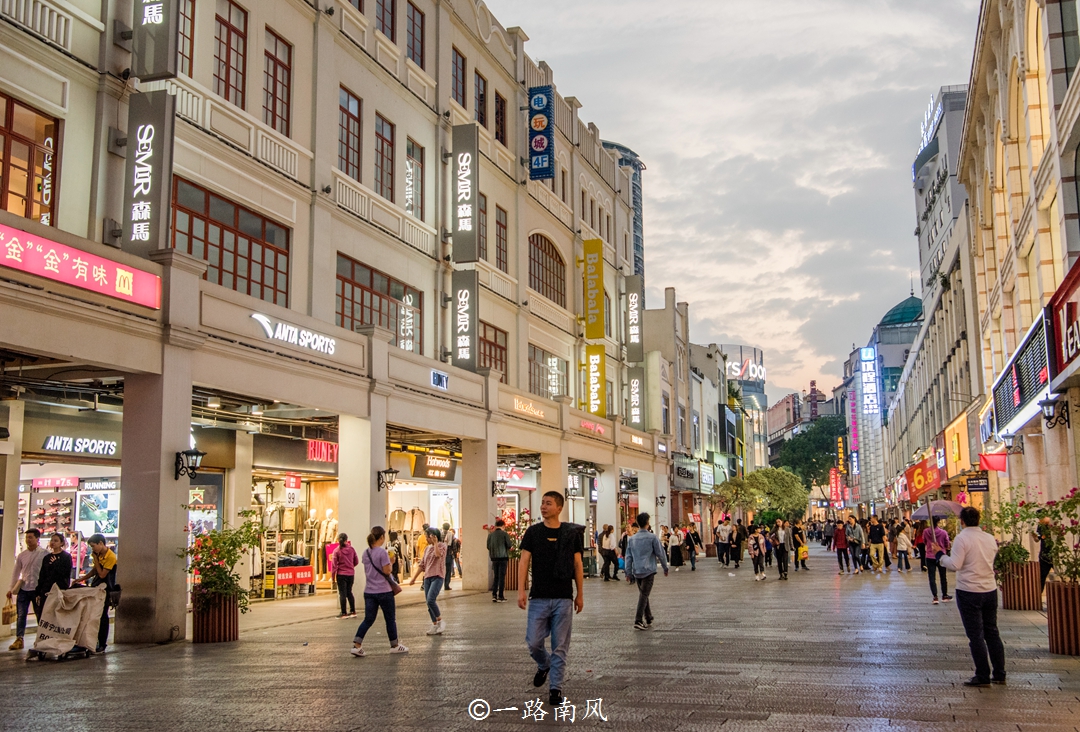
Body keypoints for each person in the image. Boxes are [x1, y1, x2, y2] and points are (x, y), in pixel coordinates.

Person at [518, 491, 584, 707]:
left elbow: (577, 565)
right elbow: (523, 561)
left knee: (560, 646)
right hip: (539, 597)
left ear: (559, 508)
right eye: (542, 503)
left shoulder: (570, 534)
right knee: (534, 642)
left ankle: (556, 688)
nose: (543, 507)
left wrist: (580, 594)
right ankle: (544, 664)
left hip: (564, 597)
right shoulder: (533, 532)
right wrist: (521, 590)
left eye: (548, 503)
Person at [930, 506, 1006, 687]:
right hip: (989, 589)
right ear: (978, 519)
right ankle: (1000, 673)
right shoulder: (989, 539)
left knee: (976, 635)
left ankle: (982, 675)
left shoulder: (962, 538)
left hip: (969, 591)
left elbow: (955, 564)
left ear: (962, 521)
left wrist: (940, 554)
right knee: (992, 632)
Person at [351, 526, 408, 657]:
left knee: (368, 619)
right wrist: (392, 562)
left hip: (369, 591)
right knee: (390, 619)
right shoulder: (383, 553)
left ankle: (356, 645)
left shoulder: (366, 553)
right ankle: (394, 645)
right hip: (384, 591)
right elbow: (387, 571)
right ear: (381, 537)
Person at [624, 512, 669, 630]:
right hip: (649, 570)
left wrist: (628, 572)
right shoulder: (652, 537)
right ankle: (638, 619)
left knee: (644, 593)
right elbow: (661, 553)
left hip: (637, 571)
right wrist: (665, 567)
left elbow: (628, 557)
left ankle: (648, 616)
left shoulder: (632, 539)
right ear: (648, 524)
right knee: (644, 594)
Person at [6, 529, 47, 651]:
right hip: (24, 588)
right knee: (21, 615)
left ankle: (42, 638)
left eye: (30, 537)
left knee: (40, 614)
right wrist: (10, 588)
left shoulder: (44, 554)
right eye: (27, 537)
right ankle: (19, 638)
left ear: (37, 538)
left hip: (37, 589)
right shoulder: (21, 555)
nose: (28, 540)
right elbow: (15, 573)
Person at [78, 534, 116, 653]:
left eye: (94, 546)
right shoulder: (98, 555)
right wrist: (82, 579)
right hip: (96, 587)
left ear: (101, 543)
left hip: (105, 589)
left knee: (102, 616)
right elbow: (95, 570)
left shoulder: (111, 557)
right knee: (91, 615)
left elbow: (102, 574)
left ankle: (102, 643)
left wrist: (95, 560)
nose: (93, 549)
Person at [410, 527, 447, 635]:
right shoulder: (427, 549)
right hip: (427, 577)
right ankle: (434, 624)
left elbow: (438, 555)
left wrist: (436, 543)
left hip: (438, 576)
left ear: (434, 536)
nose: (426, 538)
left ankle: (440, 621)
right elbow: (422, 565)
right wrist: (414, 578)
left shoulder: (442, 546)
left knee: (431, 599)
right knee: (428, 603)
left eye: (428, 536)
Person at [36, 532, 73, 614]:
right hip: (46, 588)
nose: (53, 542)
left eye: (56, 541)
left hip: (60, 588)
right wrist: (38, 590)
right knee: (44, 612)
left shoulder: (66, 557)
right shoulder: (47, 557)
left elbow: (65, 573)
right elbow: (42, 574)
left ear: (61, 543)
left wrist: (56, 564)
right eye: (52, 540)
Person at [923, 518, 952, 605]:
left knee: (932, 577)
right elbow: (947, 543)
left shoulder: (925, 531)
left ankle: (935, 597)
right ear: (938, 522)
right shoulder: (943, 532)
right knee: (943, 576)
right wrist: (945, 547)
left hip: (929, 555)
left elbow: (924, 541)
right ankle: (944, 595)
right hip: (941, 555)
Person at [330, 533, 358, 619]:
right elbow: (356, 561)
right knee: (349, 592)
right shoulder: (352, 549)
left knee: (342, 593)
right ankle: (353, 611)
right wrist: (350, 567)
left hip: (341, 575)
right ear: (347, 539)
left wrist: (333, 577)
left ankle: (343, 613)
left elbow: (334, 566)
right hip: (351, 574)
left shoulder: (336, 551)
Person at [487, 519, 513, 600]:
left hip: (494, 558)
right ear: (503, 526)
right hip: (503, 557)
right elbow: (509, 545)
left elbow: (488, 546)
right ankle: (500, 596)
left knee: (496, 576)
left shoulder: (490, 535)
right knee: (502, 577)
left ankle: (494, 595)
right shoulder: (504, 534)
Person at [1033, 516, 1054, 591]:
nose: (1040, 521)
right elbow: (1037, 539)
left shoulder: (1053, 524)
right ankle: (1039, 594)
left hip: (1054, 555)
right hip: (1044, 555)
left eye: (1041, 518)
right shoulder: (1040, 526)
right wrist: (1034, 537)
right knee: (1041, 576)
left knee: (1061, 575)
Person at [442, 523, 458, 591]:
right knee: (448, 570)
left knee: (442, 570)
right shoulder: (451, 535)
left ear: (442, 527)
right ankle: (446, 585)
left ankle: (441, 584)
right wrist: (455, 555)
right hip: (448, 554)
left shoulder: (440, 534)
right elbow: (454, 546)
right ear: (449, 528)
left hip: (441, 555)